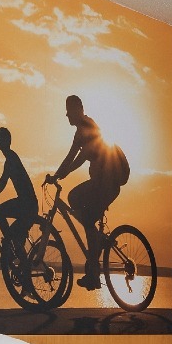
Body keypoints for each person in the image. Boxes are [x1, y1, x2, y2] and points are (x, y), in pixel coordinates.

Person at [47, 94, 130, 290]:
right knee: (86, 219)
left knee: (74, 198)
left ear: (79, 110)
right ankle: (95, 264)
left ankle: (94, 263)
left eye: (69, 111)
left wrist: (64, 173)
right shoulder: (79, 133)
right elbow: (70, 156)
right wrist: (57, 175)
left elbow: (82, 156)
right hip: (101, 183)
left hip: (107, 183)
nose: (67, 115)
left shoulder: (89, 126)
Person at [0, 126, 38, 261]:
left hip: (27, 205)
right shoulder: (10, 158)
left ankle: (9, 248)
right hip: (27, 204)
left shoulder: (11, 159)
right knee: (16, 240)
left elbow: (2, 183)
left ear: (6, 141)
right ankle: (16, 258)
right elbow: (2, 183)